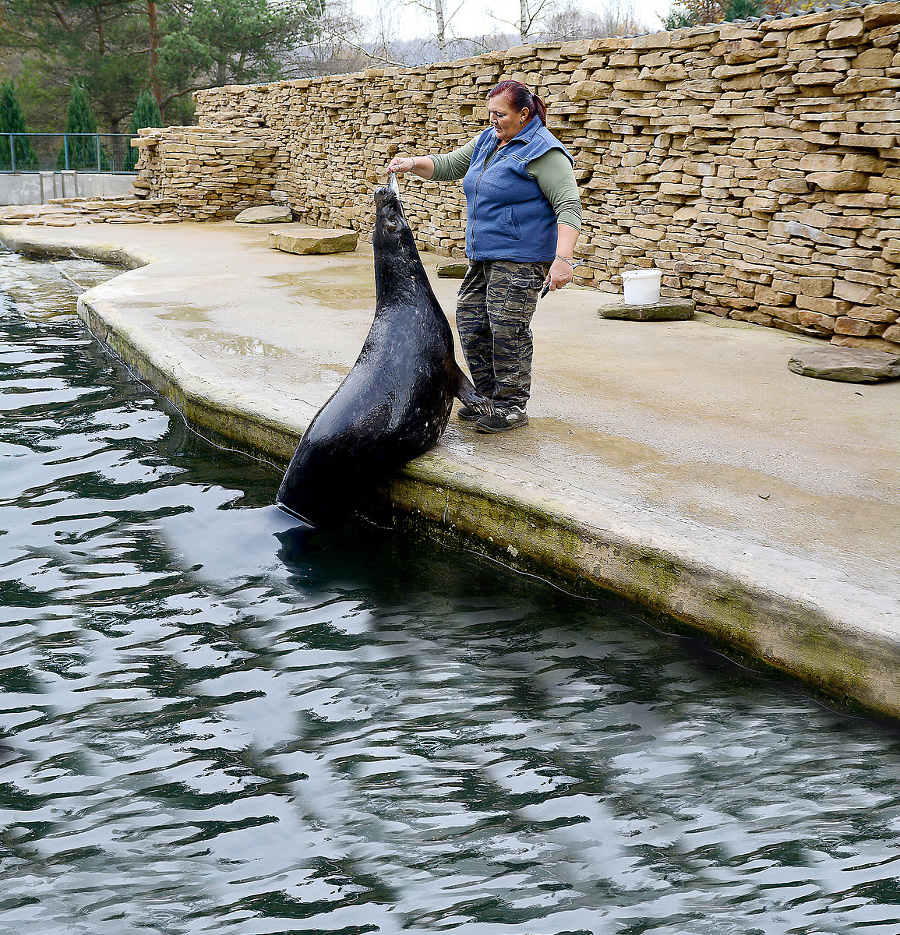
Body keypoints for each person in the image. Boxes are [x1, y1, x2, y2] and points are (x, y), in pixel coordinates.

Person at [387, 79, 582, 434]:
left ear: (523, 114)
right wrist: (411, 163)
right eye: (490, 112)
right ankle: (487, 399)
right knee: (472, 321)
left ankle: (511, 406)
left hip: (522, 257)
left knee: (508, 327)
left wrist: (563, 258)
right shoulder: (489, 141)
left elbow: (568, 205)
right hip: (485, 255)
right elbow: (447, 165)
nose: (492, 119)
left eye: (500, 114)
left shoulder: (544, 151)